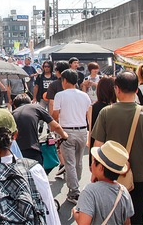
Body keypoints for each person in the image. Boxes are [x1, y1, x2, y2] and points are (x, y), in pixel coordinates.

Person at [92, 71, 143, 224]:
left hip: (110, 175)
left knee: (111, 217)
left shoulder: (106, 112)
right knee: (136, 217)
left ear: (116, 89)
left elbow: (98, 146)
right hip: (141, 176)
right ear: (137, 90)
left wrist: (94, 171)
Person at [52, 69, 91, 204]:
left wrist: (56, 126)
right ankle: (75, 187)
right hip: (82, 130)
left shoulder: (60, 95)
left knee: (70, 163)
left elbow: (55, 115)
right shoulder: (84, 96)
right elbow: (87, 114)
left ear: (65, 80)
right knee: (78, 162)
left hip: (66, 131)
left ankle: (74, 192)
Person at [73, 141, 134, 225]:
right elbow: (127, 222)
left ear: (100, 168)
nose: (92, 163)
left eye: (94, 161)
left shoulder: (89, 191)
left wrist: (75, 212)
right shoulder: (124, 191)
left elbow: (84, 223)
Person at [12, 93, 68, 166]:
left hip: (17, 151)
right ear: (30, 102)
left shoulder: (12, 113)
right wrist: (64, 135)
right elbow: (56, 126)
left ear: (15, 106)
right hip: (33, 150)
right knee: (37, 173)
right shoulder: (36, 108)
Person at [46, 60, 69, 175]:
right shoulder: (73, 84)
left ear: (58, 72)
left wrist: (51, 121)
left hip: (58, 117)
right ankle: (66, 163)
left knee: (58, 142)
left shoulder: (54, 85)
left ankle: (63, 163)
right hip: (72, 119)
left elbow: (51, 103)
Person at [88, 77, 116, 167]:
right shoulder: (117, 107)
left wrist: (91, 159)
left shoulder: (93, 107)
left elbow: (91, 132)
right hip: (115, 149)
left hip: (97, 150)